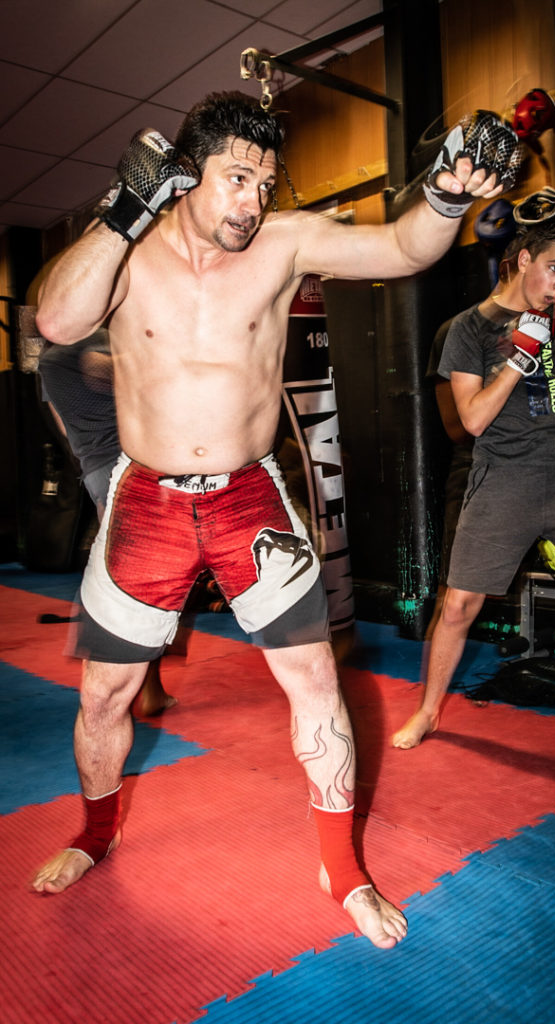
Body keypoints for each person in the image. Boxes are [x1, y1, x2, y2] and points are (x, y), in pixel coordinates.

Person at [30, 92, 520, 948]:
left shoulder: (283, 242)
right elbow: (56, 320)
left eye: (264, 181)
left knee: (314, 683)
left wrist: (447, 192)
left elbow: (403, 248)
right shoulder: (131, 251)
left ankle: (343, 869)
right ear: (185, 178)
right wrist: (120, 210)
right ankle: (94, 834)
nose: (252, 201)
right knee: (104, 693)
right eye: (235, 179)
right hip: (144, 501)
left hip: (247, 499)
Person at [391, 213, 555, 749]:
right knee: (459, 604)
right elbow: (472, 420)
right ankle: (428, 711)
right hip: (506, 479)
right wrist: (517, 359)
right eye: (553, 268)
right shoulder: (469, 329)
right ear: (523, 259)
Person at [37, 329, 177, 716]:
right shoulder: (92, 341)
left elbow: (63, 427)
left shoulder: (47, 364)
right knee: (150, 583)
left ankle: (132, 681)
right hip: (131, 466)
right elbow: (99, 368)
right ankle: (146, 687)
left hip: (96, 472)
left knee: (124, 576)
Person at [424, 319, 473, 640]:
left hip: (552, 465)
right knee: (452, 598)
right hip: (478, 468)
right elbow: (457, 428)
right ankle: (427, 688)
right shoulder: (461, 331)